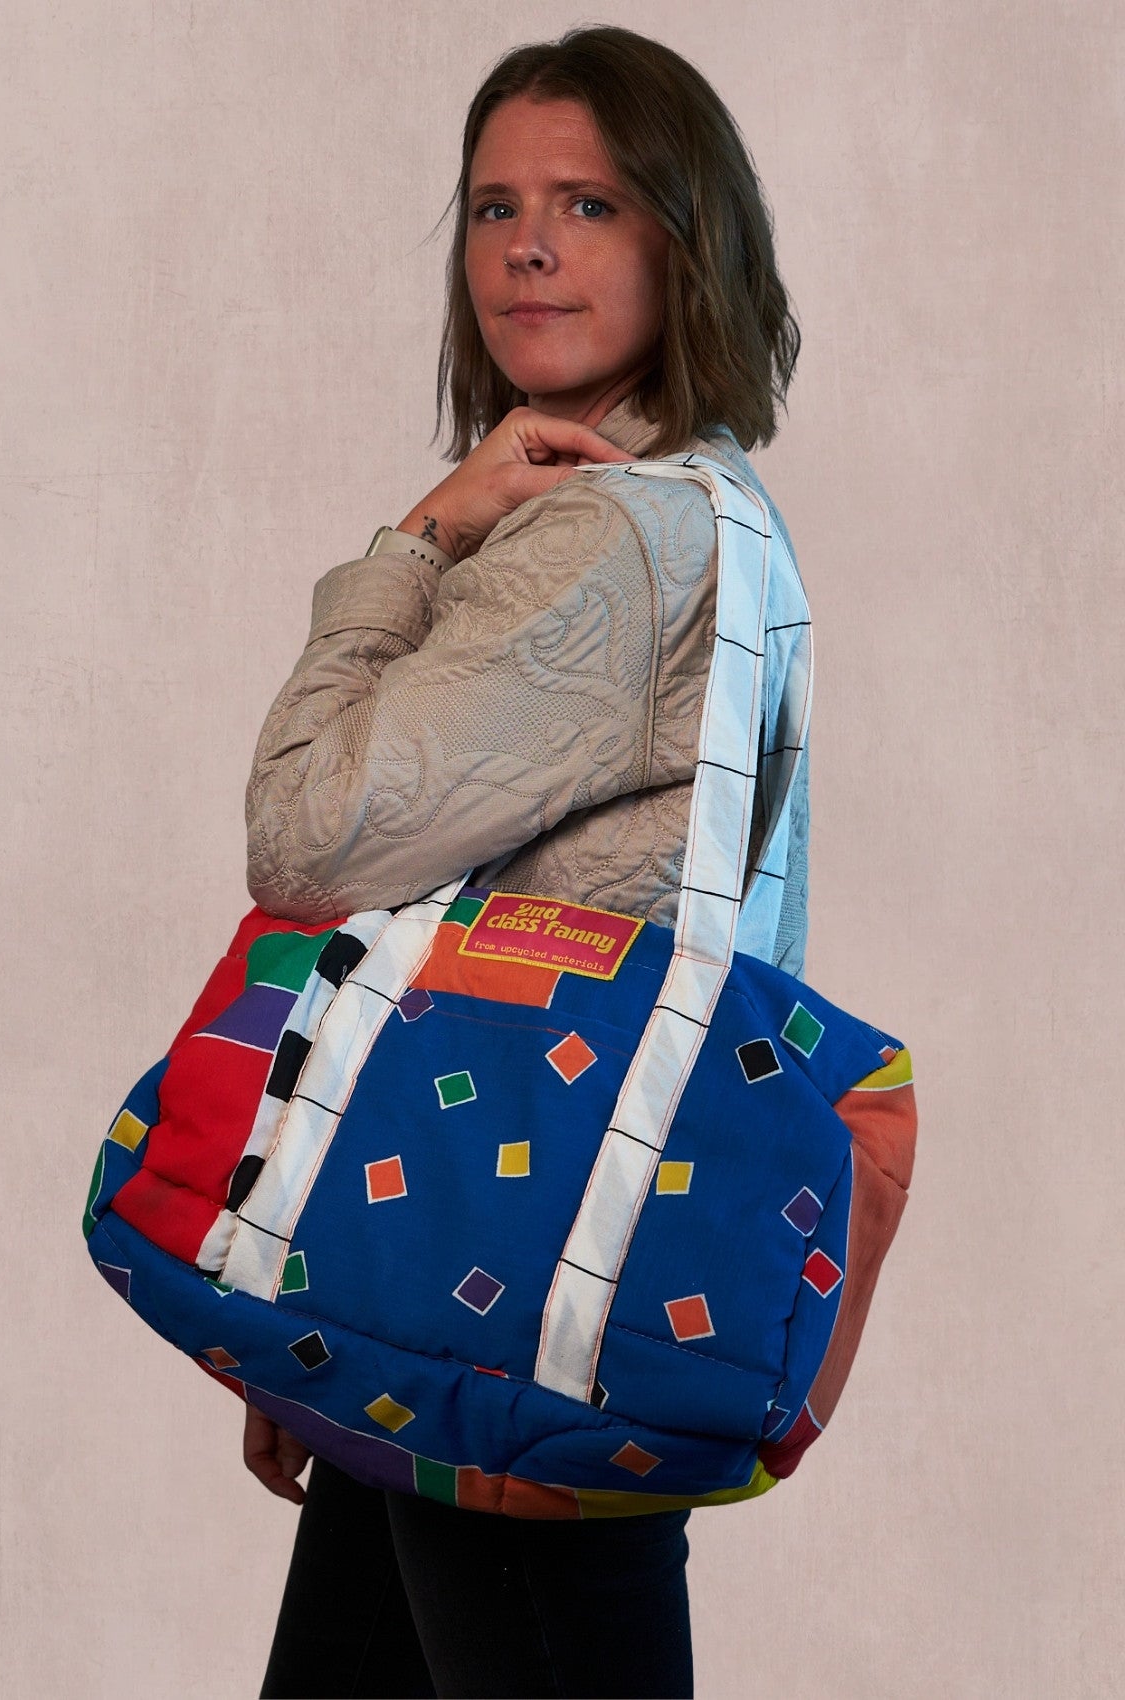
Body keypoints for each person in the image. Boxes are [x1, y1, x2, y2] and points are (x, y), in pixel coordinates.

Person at [241, 24, 808, 1699]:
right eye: (495, 208)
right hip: (509, 1255)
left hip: (504, 1280)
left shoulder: (603, 535)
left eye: (590, 204)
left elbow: (306, 836)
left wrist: (419, 538)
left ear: (687, 241)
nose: (529, 249)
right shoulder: (722, 506)